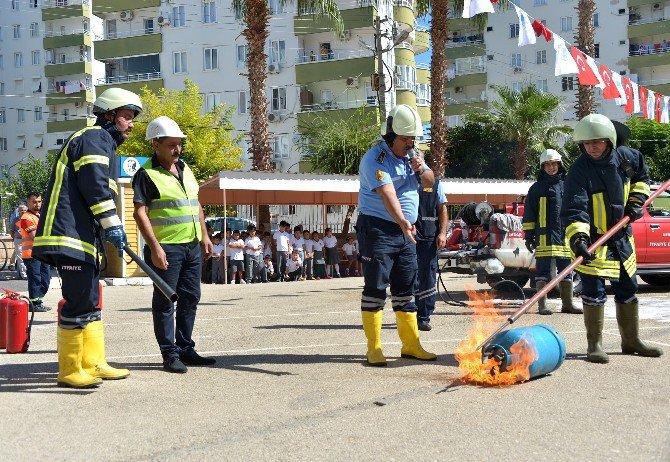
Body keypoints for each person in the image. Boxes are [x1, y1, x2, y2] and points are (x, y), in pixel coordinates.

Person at [33, 87, 141, 388]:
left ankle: (93, 362)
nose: (130, 124)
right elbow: (95, 186)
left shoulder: (102, 141)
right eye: (126, 117)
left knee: (91, 301)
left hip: (80, 236)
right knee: (78, 301)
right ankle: (70, 370)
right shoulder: (95, 138)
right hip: (68, 235)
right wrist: (113, 223)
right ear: (108, 116)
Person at [561, 114, 663, 364]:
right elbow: (576, 208)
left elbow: (642, 178)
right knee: (593, 292)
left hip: (622, 239)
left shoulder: (628, 157)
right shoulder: (579, 170)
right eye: (586, 143)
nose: (592, 147)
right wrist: (579, 239)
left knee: (628, 289)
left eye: (598, 141)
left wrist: (637, 201)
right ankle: (594, 345)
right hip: (593, 243)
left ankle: (631, 341)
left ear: (610, 140)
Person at [132, 115, 215, 374]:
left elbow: (196, 204)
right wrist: (155, 248)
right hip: (166, 248)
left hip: (191, 245)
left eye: (179, 144)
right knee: (166, 301)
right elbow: (139, 213)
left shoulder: (185, 168)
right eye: (171, 145)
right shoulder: (146, 174)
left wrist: (204, 235)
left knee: (191, 297)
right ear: (156, 144)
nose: (177, 149)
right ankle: (169, 354)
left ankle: (185, 348)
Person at [356, 104, 436, 366]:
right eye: (404, 139)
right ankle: (374, 348)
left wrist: (421, 168)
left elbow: (431, 183)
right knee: (376, 287)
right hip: (378, 228)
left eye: (413, 138)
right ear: (391, 136)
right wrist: (403, 221)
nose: (409, 143)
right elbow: (388, 195)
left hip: (406, 232)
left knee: (406, 288)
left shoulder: (413, 156)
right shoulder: (374, 159)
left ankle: (411, 345)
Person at [523, 149, 582, 316]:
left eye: (554, 164)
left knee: (567, 270)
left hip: (565, 236)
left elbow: (575, 209)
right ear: (542, 167)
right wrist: (528, 235)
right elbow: (529, 213)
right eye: (547, 164)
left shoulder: (567, 185)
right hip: (544, 236)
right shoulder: (536, 188)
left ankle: (568, 304)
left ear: (559, 164)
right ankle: (542, 305)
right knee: (542, 273)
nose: (551, 167)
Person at [414, 175, 449, 331]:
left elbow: (442, 208)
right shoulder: (402, 179)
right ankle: (408, 314)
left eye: (418, 158)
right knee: (408, 277)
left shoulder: (436, 183)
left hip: (428, 238)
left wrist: (442, 233)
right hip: (406, 237)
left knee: (427, 277)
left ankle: (423, 316)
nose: (414, 162)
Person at [20, 193, 51, 312]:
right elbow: (34, 237)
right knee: (35, 280)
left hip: (42, 253)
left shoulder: (39, 216)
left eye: (39, 201)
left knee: (45, 279)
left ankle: (38, 301)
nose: (37, 204)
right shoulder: (26, 218)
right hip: (31, 255)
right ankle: (35, 304)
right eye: (34, 202)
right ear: (28, 202)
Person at [9, 204, 28, 279]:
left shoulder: (29, 218)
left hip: (28, 240)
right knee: (20, 258)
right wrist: (15, 238)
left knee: (29, 257)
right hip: (19, 240)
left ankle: (28, 272)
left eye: (24, 210)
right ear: (19, 211)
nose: (23, 212)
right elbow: (11, 230)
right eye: (21, 210)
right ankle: (24, 275)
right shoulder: (16, 219)